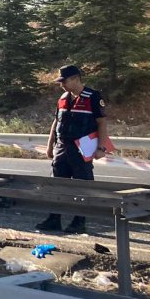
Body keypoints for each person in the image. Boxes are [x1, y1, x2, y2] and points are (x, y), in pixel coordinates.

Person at [36, 65, 109, 234]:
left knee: (81, 185)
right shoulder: (63, 98)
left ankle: (79, 221)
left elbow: (102, 123)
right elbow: (56, 122)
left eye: (65, 81)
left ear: (76, 79)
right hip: (62, 146)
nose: (62, 85)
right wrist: (50, 145)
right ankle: (54, 219)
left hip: (82, 147)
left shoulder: (93, 96)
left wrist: (101, 147)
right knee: (57, 184)